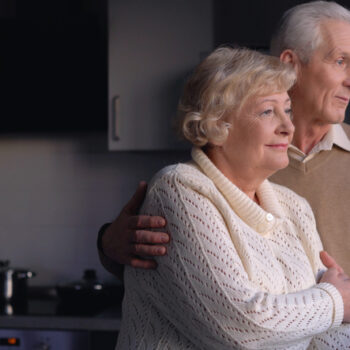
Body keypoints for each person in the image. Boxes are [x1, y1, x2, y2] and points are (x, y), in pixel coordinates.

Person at [116, 47, 350, 349]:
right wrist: (335, 302)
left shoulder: (293, 207)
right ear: (216, 126)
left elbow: (319, 335)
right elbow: (240, 327)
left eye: (288, 109)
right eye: (268, 111)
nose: (287, 126)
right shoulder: (179, 190)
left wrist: (334, 309)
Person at [97, 0, 350, 278]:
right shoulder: (219, 163)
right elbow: (167, 272)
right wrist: (108, 245)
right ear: (291, 63)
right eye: (341, 61)